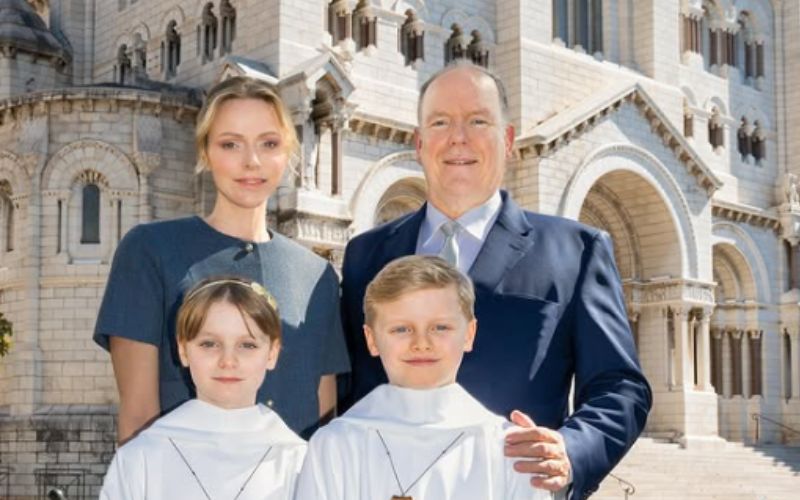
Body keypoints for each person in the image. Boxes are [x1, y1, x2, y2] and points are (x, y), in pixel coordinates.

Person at [339, 61, 652, 499]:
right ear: (420, 142)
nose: (458, 137)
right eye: (441, 122)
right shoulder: (365, 254)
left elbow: (620, 387)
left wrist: (572, 450)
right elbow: (348, 381)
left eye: (478, 121)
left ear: (507, 140)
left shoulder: (576, 251)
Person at [94, 76, 349, 443]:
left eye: (269, 143)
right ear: (205, 153)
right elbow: (137, 416)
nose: (252, 161)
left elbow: (324, 423)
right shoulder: (149, 251)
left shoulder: (318, 276)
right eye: (231, 144)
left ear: (288, 155)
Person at [297, 256, 551, 500]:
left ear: (469, 334)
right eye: (401, 329)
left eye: (440, 327)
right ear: (372, 339)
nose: (421, 343)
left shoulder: (509, 448)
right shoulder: (335, 445)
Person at [100, 277, 306, 500]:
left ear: (272, 353)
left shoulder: (298, 460)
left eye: (247, 345)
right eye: (209, 344)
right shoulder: (141, 457)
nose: (228, 361)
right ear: (183, 350)